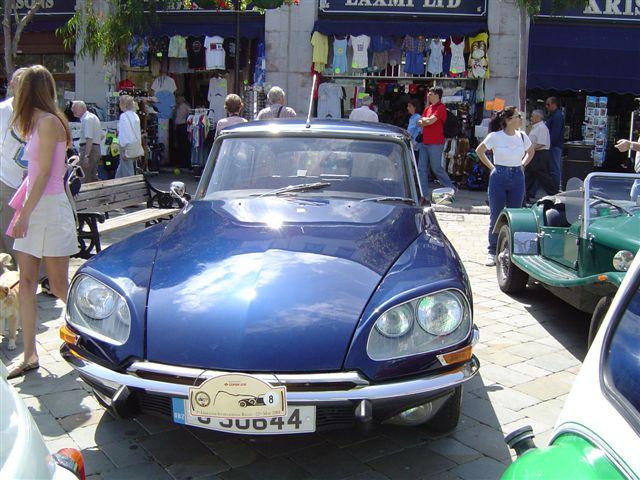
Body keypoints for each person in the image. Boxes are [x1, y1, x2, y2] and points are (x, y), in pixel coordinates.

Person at [5, 65, 78, 379]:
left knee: (59, 285)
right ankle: (29, 355)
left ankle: (94, 332)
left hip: (48, 208)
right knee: (26, 283)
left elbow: (46, 173)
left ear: (28, 90)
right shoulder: (36, 122)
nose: (13, 89)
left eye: (19, 85)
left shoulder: (48, 122)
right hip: (34, 205)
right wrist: (23, 211)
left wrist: (23, 214)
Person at [476, 106, 535, 266]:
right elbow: (480, 151)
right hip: (499, 176)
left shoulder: (522, 136)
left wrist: (522, 165)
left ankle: (511, 250)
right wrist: (492, 167)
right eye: (517, 116)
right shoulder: (495, 136)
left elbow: (531, 151)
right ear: (508, 120)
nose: (520, 119)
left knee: (515, 215)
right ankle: (492, 251)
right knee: (496, 215)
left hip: (517, 175)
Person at [0, 68, 27, 262]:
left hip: (32, 184)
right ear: (12, 85)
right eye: (18, 81)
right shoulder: (3, 111)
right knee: (7, 233)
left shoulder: (40, 112)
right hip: (6, 181)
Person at [417, 87, 454, 196]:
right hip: (425, 142)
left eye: (430, 94)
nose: (428, 95)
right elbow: (420, 122)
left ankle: (451, 188)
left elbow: (429, 121)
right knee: (421, 169)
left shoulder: (441, 107)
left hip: (436, 143)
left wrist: (425, 121)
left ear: (437, 95)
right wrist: (426, 121)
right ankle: (424, 194)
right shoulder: (428, 108)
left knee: (436, 168)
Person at [525, 109, 558, 203]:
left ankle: (554, 194)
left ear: (538, 117)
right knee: (529, 175)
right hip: (534, 153)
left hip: (540, 154)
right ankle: (525, 196)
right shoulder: (535, 127)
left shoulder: (542, 127)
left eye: (532, 116)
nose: (531, 118)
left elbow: (541, 143)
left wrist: (529, 149)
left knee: (543, 176)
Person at [71, 101, 102, 183]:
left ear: (82, 108)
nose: (72, 110)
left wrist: (86, 156)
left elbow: (89, 139)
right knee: (92, 177)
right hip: (95, 149)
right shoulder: (92, 117)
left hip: (89, 150)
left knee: (84, 177)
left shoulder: (87, 119)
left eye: (74, 108)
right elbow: (101, 136)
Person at [116, 95, 143, 178]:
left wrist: (123, 149)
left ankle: (130, 185)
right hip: (135, 145)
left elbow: (124, 134)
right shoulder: (136, 116)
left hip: (126, 146)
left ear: (123, 104)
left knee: (127, 171)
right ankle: (116, 182)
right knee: (123, 168)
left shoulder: (124, 116)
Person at [545, 96, 564, 190]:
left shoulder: (557, 116)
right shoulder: (553, 115)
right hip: (553, 145)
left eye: (548, 104)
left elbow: (555, 132)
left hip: (554, 146)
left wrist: (550, 144)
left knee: (554, 168)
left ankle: (555, 188)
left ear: (554, 104)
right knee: (552, 167)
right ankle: (553, 188)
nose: (546, 106)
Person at [173, 95, 190, 168]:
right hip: (177, 126)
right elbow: (175, 116)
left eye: (178, 98)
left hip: (183, 125)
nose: (177, 100)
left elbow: (189, 115)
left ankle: (185, 162)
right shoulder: (177, 107)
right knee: (179, 144)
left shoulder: (185, 106)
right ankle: (180, 161)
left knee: (183, 144)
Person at [406, 98, 422, 162]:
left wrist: (415, 143)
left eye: (410, 106)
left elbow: (420, 132)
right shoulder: (411, 118)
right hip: (411, 146)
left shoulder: (418, 117)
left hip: (415, 148)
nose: (407, 108)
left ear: (415, 107)